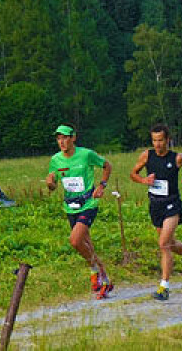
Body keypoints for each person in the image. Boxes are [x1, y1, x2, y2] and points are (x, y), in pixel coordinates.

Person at [129, 123, 182, 301]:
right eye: (154, 140)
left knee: (163, 245)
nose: (157, 144)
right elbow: (133, 174)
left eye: (161, 140)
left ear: (168, 140)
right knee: (170, 243)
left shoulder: (177, 158)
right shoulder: (147, 155)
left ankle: (164, 287)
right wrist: (144, 180)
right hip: (155, 205)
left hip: (172, 204)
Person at [46, 124, 114, 299]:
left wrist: (102, 185)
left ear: (73, 138)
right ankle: (105, 280)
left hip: (88, 204)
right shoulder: (55, 160)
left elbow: (107, 166)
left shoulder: (86, 155)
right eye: (59, 138)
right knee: (87, 245)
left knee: (75, 241)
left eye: (65, 137)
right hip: (70, 206)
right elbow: (53, 186)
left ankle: (94, 271)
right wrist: (50, 184)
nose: (62, 142)